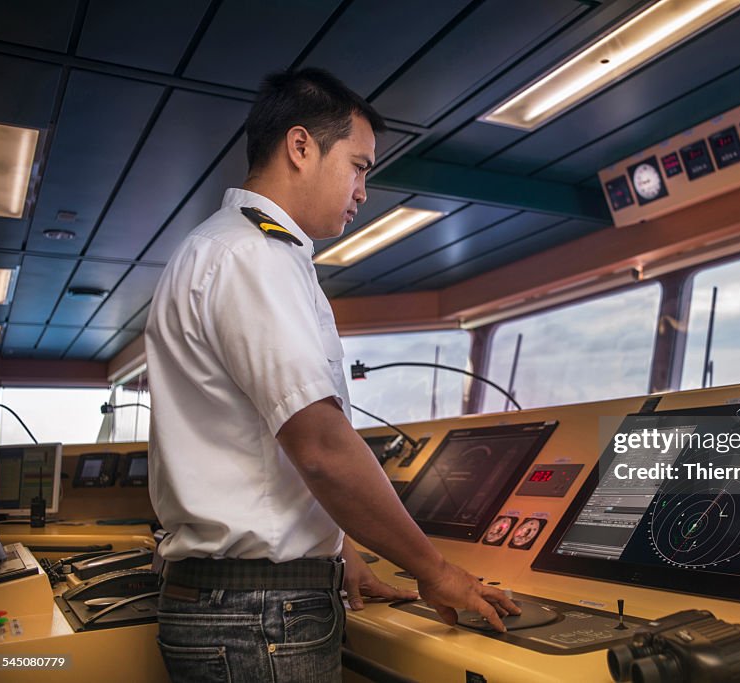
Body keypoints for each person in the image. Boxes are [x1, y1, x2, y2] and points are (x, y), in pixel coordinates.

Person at [145, 67, 518, 683]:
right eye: (359, 165)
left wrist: (342, 552)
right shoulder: (255, 258)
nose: (363, 189)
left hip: (231, 606)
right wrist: (436, 570)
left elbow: (264, 446)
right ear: (300, 147)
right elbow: (319, 446)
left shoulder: (216, 247)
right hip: (259, 617)